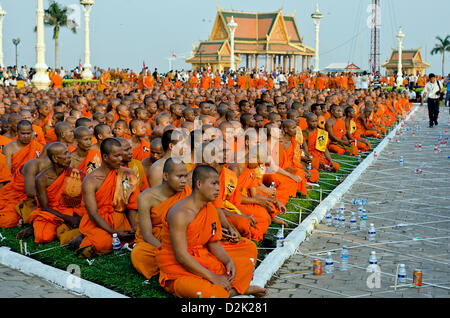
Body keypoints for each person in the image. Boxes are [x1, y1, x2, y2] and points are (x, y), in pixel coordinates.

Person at [155, 164, 267, 298]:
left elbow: (213, 243)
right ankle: (237, 290)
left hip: (204, 260)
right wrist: (213, 277)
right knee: (207, 293)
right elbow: (181, 256)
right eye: (214, 184)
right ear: (199, 184)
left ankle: (227, 290)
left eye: (218, 184)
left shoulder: (210, 210)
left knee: (244, 265)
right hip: (179, 269)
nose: (218, 188)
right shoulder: (180, 214)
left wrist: (227, 261)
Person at [75, 138, 139, 258]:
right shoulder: (90, 180)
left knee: (141, 233)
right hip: (99, 222)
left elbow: (131, 205)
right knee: (100, 243)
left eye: (121, 155)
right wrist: (114, 233)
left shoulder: (127, 173)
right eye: (116, 156)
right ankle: (83, 236)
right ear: (105, 157)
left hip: (121, 218)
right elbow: (93, 214)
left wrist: (134, 226)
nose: (121, 159)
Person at [131, 158, 190, 279]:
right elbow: (147, 235)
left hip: (181, 238)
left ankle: (177, 262)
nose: (184, 181)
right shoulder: (146, 197)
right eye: (179, 176)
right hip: (156, 242)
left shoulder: (187, 193)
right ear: (165, 176)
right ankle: (178, 263)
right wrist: (167, 251)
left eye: (186, 176)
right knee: (139, 255)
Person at [18, 143, 87, 245]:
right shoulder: (42, 179)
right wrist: (68, 218)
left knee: (88, 217)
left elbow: (79, 201)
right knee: (43, 237)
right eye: (65, 154)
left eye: (68, 153)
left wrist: (76, 216)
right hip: (52, 212)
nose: (69, 157)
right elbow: (45, 207)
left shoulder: (76, 174)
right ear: (55, 159)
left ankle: (60, 227)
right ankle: (37, 228)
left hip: (70, 208)